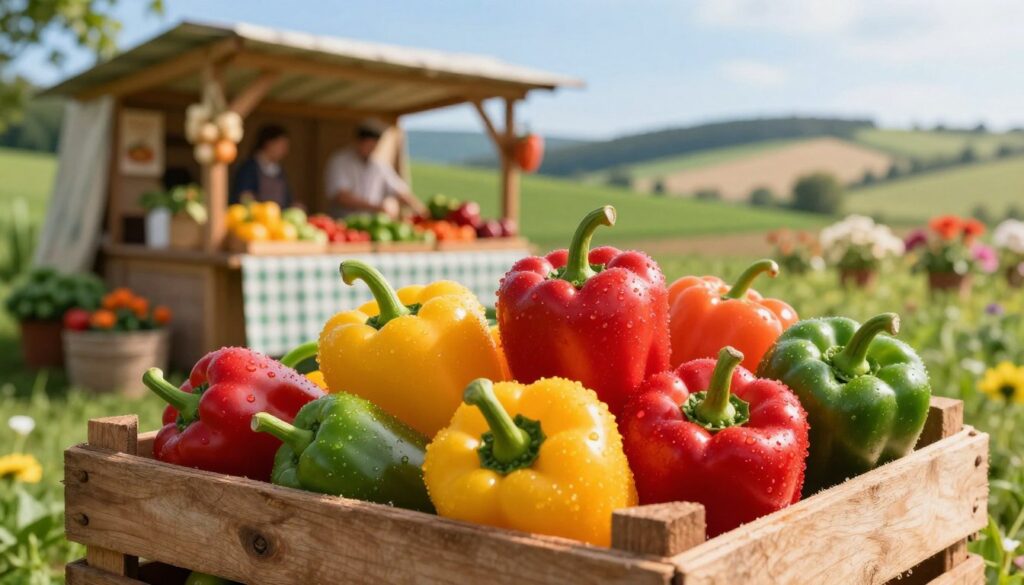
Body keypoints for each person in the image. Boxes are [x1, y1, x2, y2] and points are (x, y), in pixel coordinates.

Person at [325, 119, 426, 218]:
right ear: (358, 141)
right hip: (344, 221)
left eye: (374, 146)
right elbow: (341, 196)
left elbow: (399, 190)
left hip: (372, 224)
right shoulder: (340, 161)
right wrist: (377, 207)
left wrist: (421, 209)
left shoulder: (379, 165)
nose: (371, 149)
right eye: (368, 145)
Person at [231, 125, 293, 208]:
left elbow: (287, 199)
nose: (285, 151)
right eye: (281, 145)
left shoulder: (279, 171)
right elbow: (243, 196)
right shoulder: (249, 168)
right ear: (269, 143)